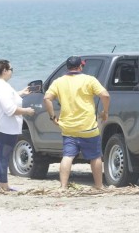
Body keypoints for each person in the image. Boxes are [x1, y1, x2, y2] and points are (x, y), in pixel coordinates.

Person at [44, 56, 110, 190]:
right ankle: (99, 185)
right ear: (80, 67)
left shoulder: (59, 81)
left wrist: (52, 116)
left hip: (68, 127)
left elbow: (47, 98)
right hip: (88, 127)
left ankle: (63, 186)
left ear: (67, 68)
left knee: (67, 156)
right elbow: (105, 95)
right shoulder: (89, 80)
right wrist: (105, 112)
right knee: (95, 157)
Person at [0, 59, 35, 191]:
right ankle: (4, 185)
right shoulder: (1, 86)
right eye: (11, 70)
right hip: (4, 127)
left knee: (1, 156)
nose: (12, 72)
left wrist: (21, 93)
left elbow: (6, 98)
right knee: (3, 157)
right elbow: (10, 109)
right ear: (5, 71)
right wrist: (27, 111)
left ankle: (2, 184)